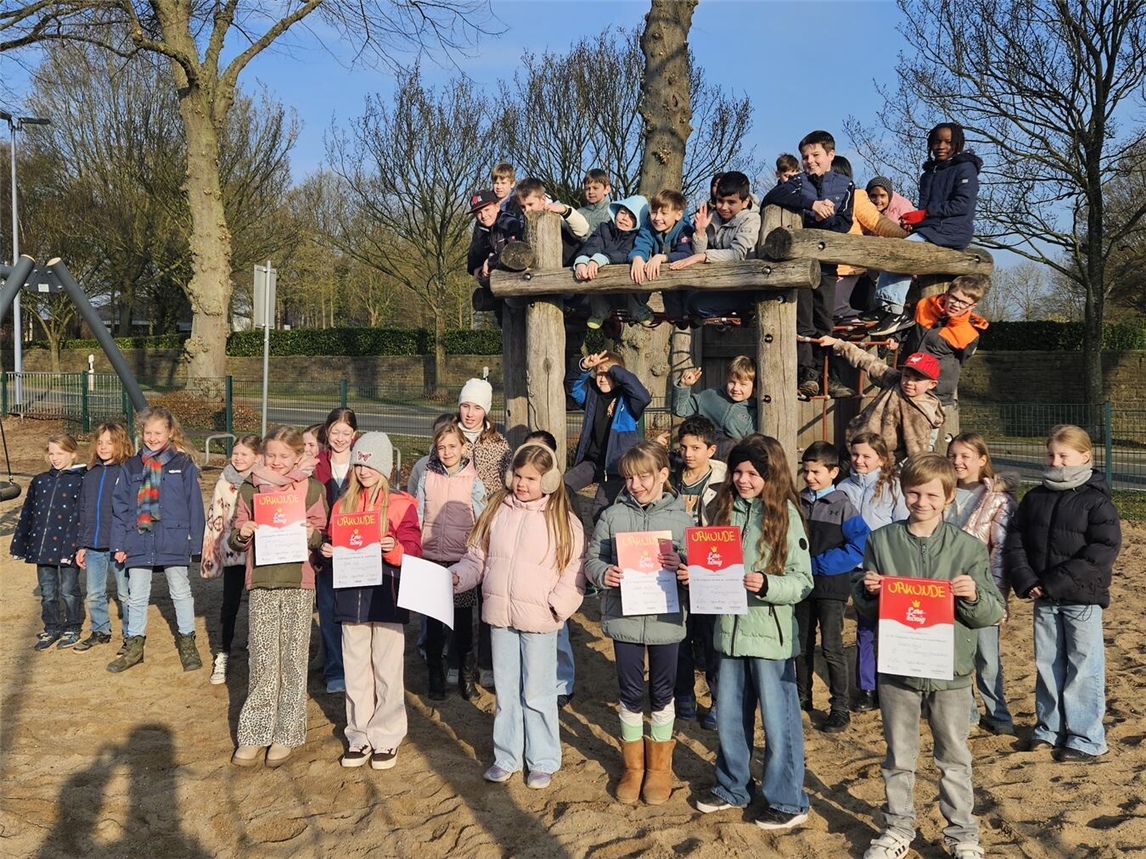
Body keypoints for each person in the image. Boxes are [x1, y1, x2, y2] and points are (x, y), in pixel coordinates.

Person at [855, 453, 1004, 859]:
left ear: (948, 497)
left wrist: (973, 595)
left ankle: (962, 834)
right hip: (898, 668)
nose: (920, 501)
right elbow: (867, 609)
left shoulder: (967, 547)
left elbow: (992, 610)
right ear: (902, 493)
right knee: (899, 755)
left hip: (950, 669)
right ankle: (898, 827)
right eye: (912, 493)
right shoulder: (881, 541)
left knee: (953, 756)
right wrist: (867, 591)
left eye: (930, 494)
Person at [451, 442, 586, 789]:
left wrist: (556, 606)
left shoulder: (563, 520)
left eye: (530, 478)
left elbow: (575, 570)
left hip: (540, 619)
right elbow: (476, 558)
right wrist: (457, 576)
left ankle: (542, 758)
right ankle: (506, 754)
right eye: (518, 476)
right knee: (507, 691)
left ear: (550, 480)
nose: (522, 484)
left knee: (538, 693)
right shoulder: (496, 511)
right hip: (500, 616)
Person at [697, 435, 813, 831]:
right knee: (730, 715)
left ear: (771, 474)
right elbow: (711, 563)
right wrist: (690, 571)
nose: (743, 479)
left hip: (770, 637)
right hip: (729, 631)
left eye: (752, 473)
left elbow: (802, 581)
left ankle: (788, 799)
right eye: (738, 471)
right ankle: (732, 786)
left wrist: (766, 584)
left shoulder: (786, 517)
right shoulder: (723, 511)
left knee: (779, 722)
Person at [1004, 424, 1121, 762]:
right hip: (1043, 596)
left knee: (1083, 668)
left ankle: (1086, 738)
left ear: (1085, 457)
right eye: (1051, 455)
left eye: (1064, 456)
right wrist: (1026, 579)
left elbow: (1103, 549)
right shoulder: (1035, 497)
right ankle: (1049, 729)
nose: (1056, 462)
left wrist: (1054, 581)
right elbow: (1016, 539)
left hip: (1081, 599)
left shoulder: (1096, 501)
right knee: (1047, 665)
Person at [585, 441, 693, 805]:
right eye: (629, 478)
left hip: (666, 619)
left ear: (663, 474)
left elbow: (697, 568)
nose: (635, 485)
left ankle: (659, 770)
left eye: (643, 476)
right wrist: (604, 573)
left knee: (663, 693)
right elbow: (592, 559)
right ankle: (633, 768)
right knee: (630, 693)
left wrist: (684, 571)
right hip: (625, 617)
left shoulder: (683, 518)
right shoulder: (613, 516)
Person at [229, 426, 329, 768]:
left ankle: (286, 732)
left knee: (293, 659)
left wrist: (313, 534)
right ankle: (255, 732)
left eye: (284, 456)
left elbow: (323, 533)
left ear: (298, 456)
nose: (277, 461)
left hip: (299, 582)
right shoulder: (249, 488)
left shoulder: (312, 488)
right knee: (262, 658)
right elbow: (234, 534)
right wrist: (242, 534)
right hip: (263, 580)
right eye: (271, 455)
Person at [323, 433, 422, 771]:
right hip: (351, 596)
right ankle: (359, 734)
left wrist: (394, 548)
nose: (364, 470)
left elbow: (413, 549)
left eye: (370, 464)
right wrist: (328, 551)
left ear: (384, 467)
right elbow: (333, 541)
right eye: (359, 463)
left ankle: (387, 735)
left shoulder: (402, 503)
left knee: (387, 666)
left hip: (386, 594)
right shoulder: (342, 504)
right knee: (355, 667)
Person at [108, 407, 205, 673]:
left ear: (170, 433)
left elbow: (194, 506)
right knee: (136, 596)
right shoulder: (131, 465)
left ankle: (188, 643)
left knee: (181, 592)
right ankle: (135, 645)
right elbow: (120, 508)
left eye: (158, 433)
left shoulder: (183, 465)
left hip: (173, 539)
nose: (152, 438)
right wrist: (118, 544)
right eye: (148, 432)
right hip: (138, 539)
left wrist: (196, 545)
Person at [762, 130, 855, 399]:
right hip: (801, 265)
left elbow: (844, 223)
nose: (810, 161)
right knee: (802, 321)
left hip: (827, 264)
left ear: (830, 155)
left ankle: (827, 373)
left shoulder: (846, 185)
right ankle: (808, 374)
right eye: (805, 156)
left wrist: (825, 219)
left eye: (815, 155)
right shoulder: (798, 182)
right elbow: (772, 197)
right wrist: (811, 204)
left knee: (825, 321)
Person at [869, 122, 983, 337]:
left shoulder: (965, 169)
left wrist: (924, 215)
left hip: (953, 231)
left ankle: (895, 310)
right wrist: (915, 223)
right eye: (937, 141)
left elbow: (962, 205)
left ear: (957, 144)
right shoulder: (928, 174)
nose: (941, 146)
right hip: (932, 228)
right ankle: (885, 306)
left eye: (948, 142)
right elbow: (929, 212)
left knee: (903, 252)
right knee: (893, 248)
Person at [946, 432, 1017, 735]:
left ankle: (998, 713)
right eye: (953, 456)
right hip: (945, 588)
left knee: (987, 657)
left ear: (982, 460)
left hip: (981, 590)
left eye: (965, 456)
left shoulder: (997, 500)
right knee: (955, 654)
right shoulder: (942, 491)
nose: (958, 462)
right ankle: (968, 711)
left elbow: (1000, 550)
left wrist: (996, 594)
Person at [796, 441, 869, 732]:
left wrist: (818, 565)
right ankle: (802, 699)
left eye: (816, 471)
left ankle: (839, 707)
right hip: (800, 587)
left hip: (831, 588)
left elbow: (860, 546)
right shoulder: (797, 501)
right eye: (806, 471)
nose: (810, 477)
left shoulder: (843, 507)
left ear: (833, 471)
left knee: (832, 647)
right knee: (801, 646)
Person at [415, 422, 486, 701]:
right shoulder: (426, 476)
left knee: (462, 624)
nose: (446, 452)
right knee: (433, 624)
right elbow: (419, 512)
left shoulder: (473, 480)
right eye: (441, 447)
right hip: (431, 558)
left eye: (452, 446)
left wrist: (476, 554)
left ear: (463, 447)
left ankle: (466, 678)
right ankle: (435, 677)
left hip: (460, 562)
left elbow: (481, 521)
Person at [838, 432, 908, 712]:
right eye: (855, 455)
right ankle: (867, 688)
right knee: (864, 630)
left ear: (881, 458)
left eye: (866, 456)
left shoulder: (894, 487)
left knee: (891, 630)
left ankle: (891, 685)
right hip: (856, 568)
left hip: (887, 568)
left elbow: (902, 526)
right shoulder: (843, 487)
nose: (859, 460)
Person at [671, 417, 727, 730]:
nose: (689, 453)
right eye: (684, 447)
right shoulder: (670, 479)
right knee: (679, 634)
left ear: (711, 449)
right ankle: (684, 696)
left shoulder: (723, 482)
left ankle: (719, 699)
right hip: (675, 564)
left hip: (710, 568)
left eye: (696, 447)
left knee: (711, 638)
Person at [455, 378, 511, 688]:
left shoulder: (498, 443)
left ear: (486, 410)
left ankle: (487, 663)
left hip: (489, 528)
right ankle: (459, 660)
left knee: (487, 597)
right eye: (465, 405)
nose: (470, 413)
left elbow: (506, 484)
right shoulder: (449, 439)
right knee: (459, 599)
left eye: (477, 407)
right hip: (457, 529)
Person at [12, 433, 87, 651]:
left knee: (69, 590)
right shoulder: (40, 481)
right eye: (51, 453)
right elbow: (28, 513)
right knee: (47, 591)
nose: (55, 458)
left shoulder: (81, 481)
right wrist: (20, 544)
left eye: (60, 453)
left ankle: (72, 626)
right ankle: (52, 626)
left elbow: (83, 515)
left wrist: (79, 544)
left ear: (73, 453)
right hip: (42, 547)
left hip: (68, 546)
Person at [201, 433, 263, 685]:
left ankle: (256, 649)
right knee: (230, 603)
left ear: (257, 458)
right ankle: (223, 653)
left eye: (244, 454)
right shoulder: (224, 481)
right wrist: (211, 554)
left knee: (258, 603)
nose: (238, 458)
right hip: (233, 549)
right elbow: (215, 517)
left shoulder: (265, 480)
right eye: (235, 453)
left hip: (260, 551)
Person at [818, 341, 945, 460]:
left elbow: (917, 450)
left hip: (879, 460)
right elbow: (869, 362)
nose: (909, 382)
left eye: (917, 379)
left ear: (932, 384)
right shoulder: (895, 380)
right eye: (906, 376)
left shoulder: (920, 413)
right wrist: (839, 344)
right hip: (855, 444)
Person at [566, 350, 652, 523]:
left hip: (615, 467)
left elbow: (643, 396)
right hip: (592, 462)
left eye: (608, 374)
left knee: (600, 512)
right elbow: (572, 387)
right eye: (599, 373)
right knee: (561, 489)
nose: (603, 378)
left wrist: (615, 369)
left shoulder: (629, 401)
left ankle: (604, 545)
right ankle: (576, 528)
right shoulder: (592, 394)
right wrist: (584, 366)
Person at [524, 429, 577, 708]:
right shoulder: (516, 492)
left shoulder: (563, 495)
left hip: (551, 579)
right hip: (525, 579)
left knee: (558, 634)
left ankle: (561, 683)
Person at [73, 422, 133, 653]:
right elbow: (83, 511)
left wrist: (126, 543)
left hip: (118, 544)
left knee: (125, 594)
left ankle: (131, 636)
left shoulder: (126, 472)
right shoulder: (90, 475)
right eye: (100, 442)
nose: (104, 447)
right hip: (93, 545)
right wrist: (81, 545)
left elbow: (130, 511)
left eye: (110, 443)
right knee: (95, 592)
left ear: (120, 444)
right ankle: (100, 630)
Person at [675, 171, 763, 320]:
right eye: (720, 200)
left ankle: (745, 308)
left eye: (731, 202)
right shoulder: (714, 216)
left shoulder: (751, 219)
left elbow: (738, 254)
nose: (723, 207)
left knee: (697, 305)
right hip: (719, 281)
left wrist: (702, 256)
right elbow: (699, 253)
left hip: (743, 284)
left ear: (745, 202)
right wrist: (700, 232)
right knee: (685, 295)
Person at [830, 156, 907, 322]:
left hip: (846, 266)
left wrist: (907, 237)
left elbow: (878, 222)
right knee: (827, 311)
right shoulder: (818, 198)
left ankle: (870, 324)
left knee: (837, 310)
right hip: (825, 266)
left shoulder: (855, 196)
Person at [314, 407, 358, 694]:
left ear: (354, 435)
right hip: (325, 547)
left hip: (356, 547)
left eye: (346, 432)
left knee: (354, 611)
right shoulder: (315, 463)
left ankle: (356, 669)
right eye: (335, 432)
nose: (340, 438)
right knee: (328, 610)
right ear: (327, 432)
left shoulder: (362, 463)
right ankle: (335, 669)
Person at [900, 274, 990, 408]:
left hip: (935, 393)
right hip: (906, 381)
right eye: (954, 298)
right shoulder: (924, 305)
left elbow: (961, 358)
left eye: (964, 302)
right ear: (947, 294)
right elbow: (904, 324)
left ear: (972, 306)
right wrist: (895, 338)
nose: (956, 304)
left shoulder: (969, 334)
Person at [573, 195, 651, 328]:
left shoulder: (637, 236)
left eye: (631, 217)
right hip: (605, 289)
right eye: (622, 213)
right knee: (591, 276)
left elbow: (626, 254)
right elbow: (592, 245)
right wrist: (582, 261)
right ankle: (599, 312)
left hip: (628, 290)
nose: (625, 218)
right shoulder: (604, 228)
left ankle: (638, 311)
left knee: (635, 274)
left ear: (638, 221)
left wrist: (602, 258)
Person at [628, 188, 697, 321]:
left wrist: (662, 257)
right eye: (654, 212)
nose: (657, 218)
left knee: (687, 296)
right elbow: (642, 244)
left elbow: (686, 253)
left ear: (678, 215)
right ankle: (673, 317)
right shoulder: (648, 228)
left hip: (684, 275)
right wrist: (637, 257)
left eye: (664, 213)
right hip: (664, 276)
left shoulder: (685, 230)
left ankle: (691, 315)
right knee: (668, 300)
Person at [671, 355, 758, 459]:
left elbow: (752, 443)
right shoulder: (711, 396)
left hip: (732, 460)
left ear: (754, 387)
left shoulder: (754, 411)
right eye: (732, 382)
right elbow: (680, 410)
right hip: (704, 459)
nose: (736, 388)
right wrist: (683, 386)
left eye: (743, 384)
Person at [515, 177, 592, 265]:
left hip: (568, 266)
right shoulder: (522, 221)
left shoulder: (558, 211)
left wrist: (565, 211)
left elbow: (583, 230)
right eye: (523, 206)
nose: (527, 210)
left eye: (530, 204)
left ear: (543, 199)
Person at [467, 189, 524, 288]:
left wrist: (490, 261)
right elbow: (475, 253)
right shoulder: (482, 230)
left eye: (487, 210)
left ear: (497, 207)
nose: (483, 216)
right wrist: (475, 268)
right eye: (478, 213)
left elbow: (515, 252)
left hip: (519, 281)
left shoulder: (509, 224)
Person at [577, 168, 614, 232]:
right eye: (587, 188)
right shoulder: (579, 213)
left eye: (595, 188)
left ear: (606, 189)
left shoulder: (611, 213)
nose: (591, 192)